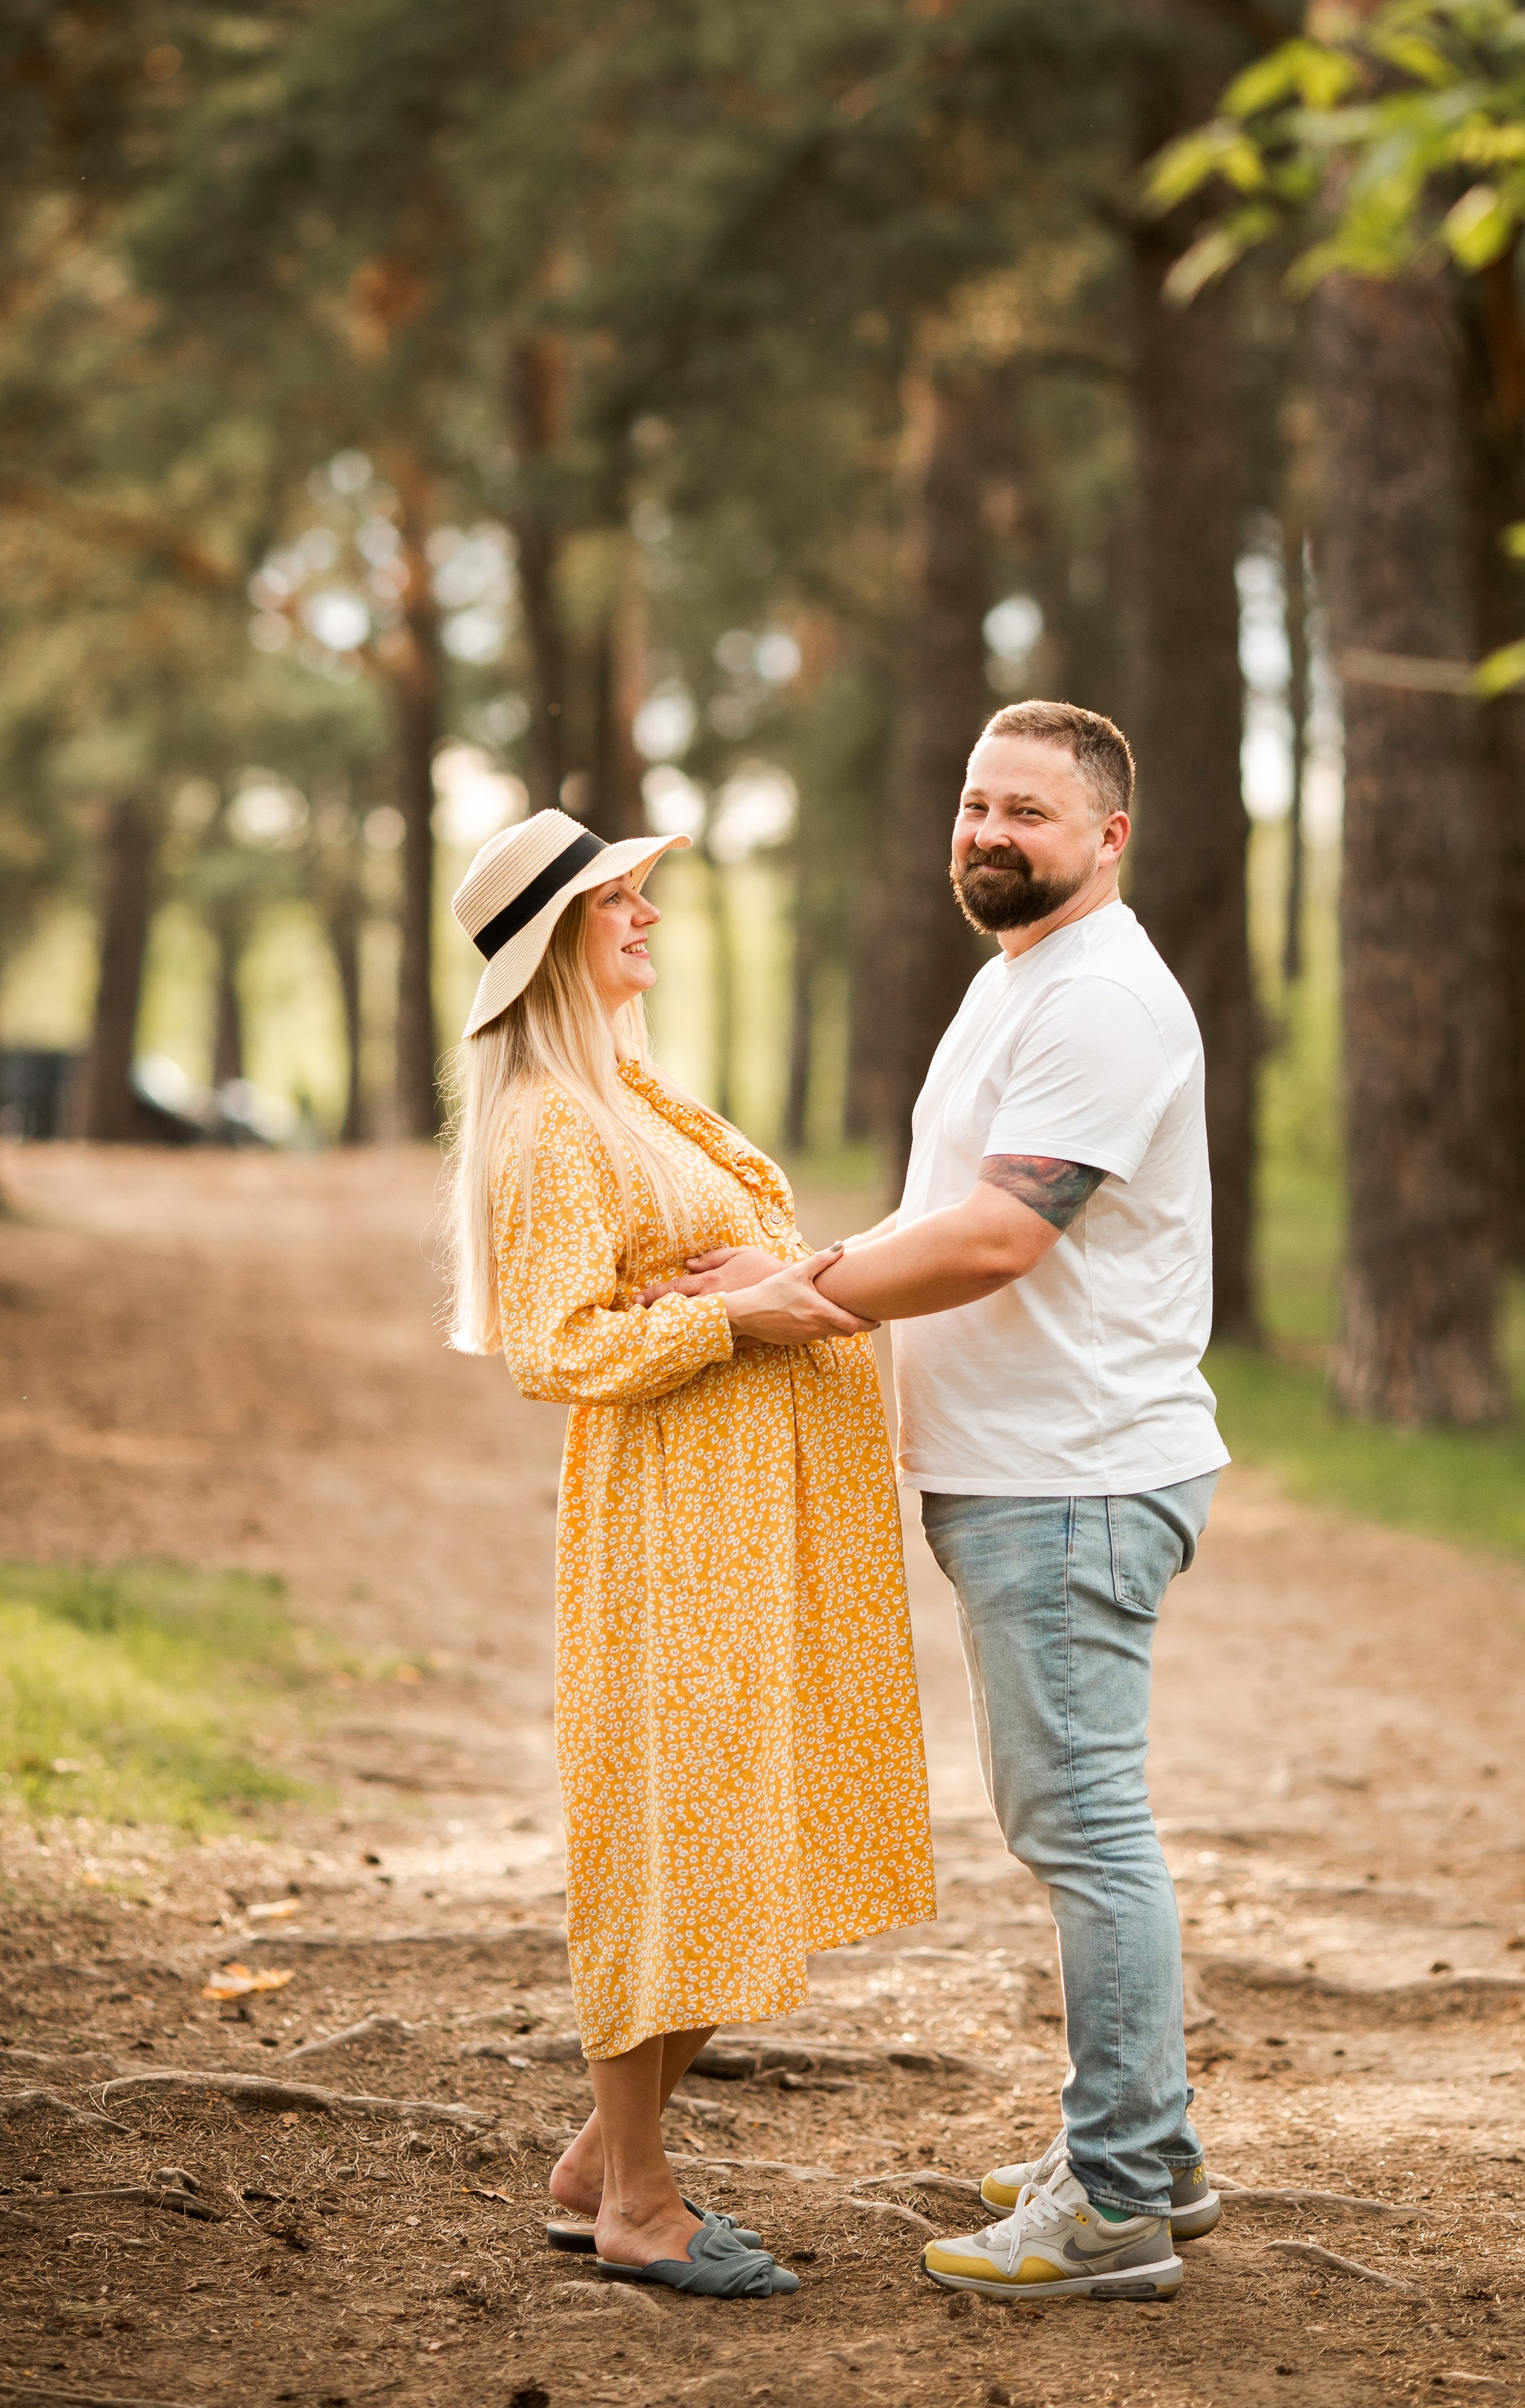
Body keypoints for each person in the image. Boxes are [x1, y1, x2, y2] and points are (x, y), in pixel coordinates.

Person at [660, 700, 1227, 2303]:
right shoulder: (1021, 981)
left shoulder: (1102, 997)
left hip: (1074, 1480)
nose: (987, 832)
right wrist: (811, 1275)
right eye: (974, 801)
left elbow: (994, 1239)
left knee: (1082, 1833)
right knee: (1075, 1825)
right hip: (1027, 1475)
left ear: (1107, 836)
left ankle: (1114, 2200)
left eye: (1027, 812)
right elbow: (949, 1214)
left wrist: (795, 1290)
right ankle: (1154, 2157)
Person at [444, 807, 935, 2301]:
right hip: (673, 1525)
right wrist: (748, 1314)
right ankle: (638, 2205)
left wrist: (781, 1286)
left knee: (751, 1828)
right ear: (552, 943)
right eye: (619, 902)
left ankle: (601, 2152)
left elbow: (726, 1274)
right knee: (671, 1833)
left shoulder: (630, 1095)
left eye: (645, 895)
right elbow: (556, 1346)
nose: (646, 918)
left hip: (745, 1515)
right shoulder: (547, 1121)